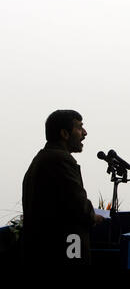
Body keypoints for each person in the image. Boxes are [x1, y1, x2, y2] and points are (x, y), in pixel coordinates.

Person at [22, 110, 104, 267]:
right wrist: (94, 216)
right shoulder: (60, 160)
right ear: (65, 134)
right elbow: (79, 206)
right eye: (79, 128)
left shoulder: (42, 158)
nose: (85, 133)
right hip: (62, 251)